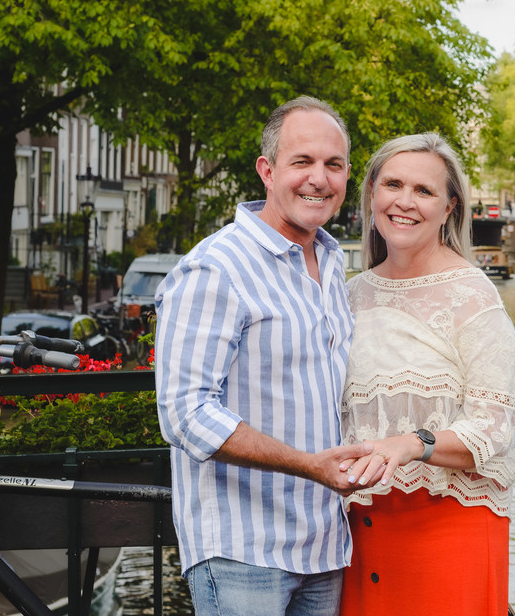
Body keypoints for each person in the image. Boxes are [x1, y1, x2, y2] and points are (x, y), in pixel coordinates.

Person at [154, 96, 367, 616]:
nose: (319, 178)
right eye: (303, 162)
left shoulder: (333, 262)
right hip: (243, 552)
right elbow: (185, 414)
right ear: (267, 171)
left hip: (325, 545)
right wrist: (308, 465)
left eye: (333, 165)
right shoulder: (215, 268)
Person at [338, 133, 515, 616]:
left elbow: (493, 428)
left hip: (448, 531)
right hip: (357, 536)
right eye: (393, 185)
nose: (404, 201)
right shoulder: (349, 294)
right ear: (372, 195)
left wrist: (410, 443)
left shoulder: (473, 298)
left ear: (449, 208)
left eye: (423, 191)